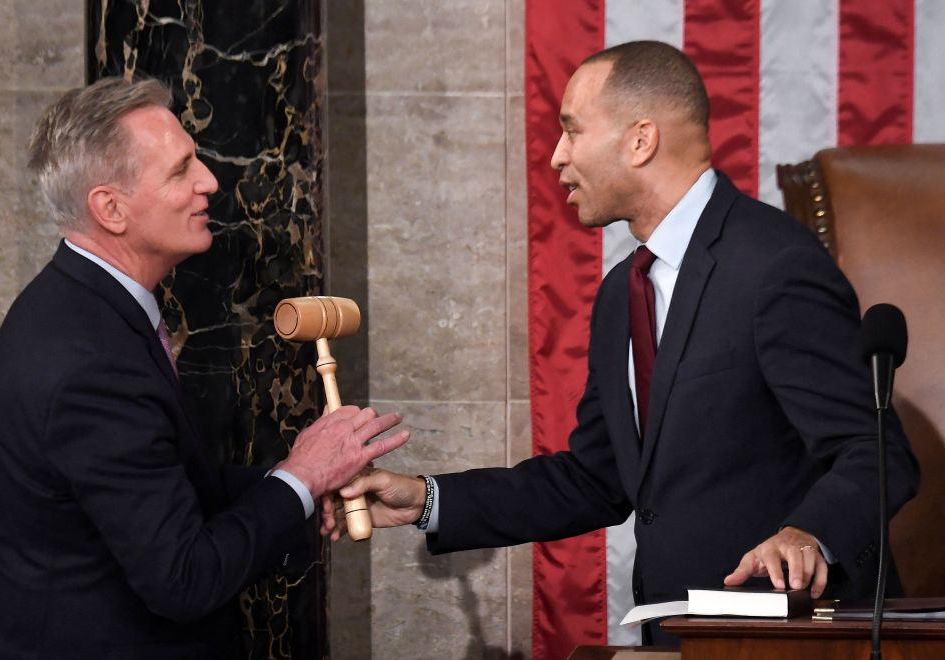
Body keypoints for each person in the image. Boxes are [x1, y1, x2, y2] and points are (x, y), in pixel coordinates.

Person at [323, 41, 919, 646]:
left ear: (640, 140)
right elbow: (594, 480)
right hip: (680, 639)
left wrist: (807, 534)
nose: (556, 157)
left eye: (572, 131)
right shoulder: (621, 292)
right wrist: (426, 499)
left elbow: (877, 453)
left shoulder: (774, 266)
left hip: (793, 646)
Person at [0, 77, 409, 659]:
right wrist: (299, 480)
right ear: (111, 208)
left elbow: (165, 484)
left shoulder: (89, 307)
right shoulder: (88, 359)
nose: (210, 180)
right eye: (181, 170)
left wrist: (310, 480)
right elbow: (183, 578)